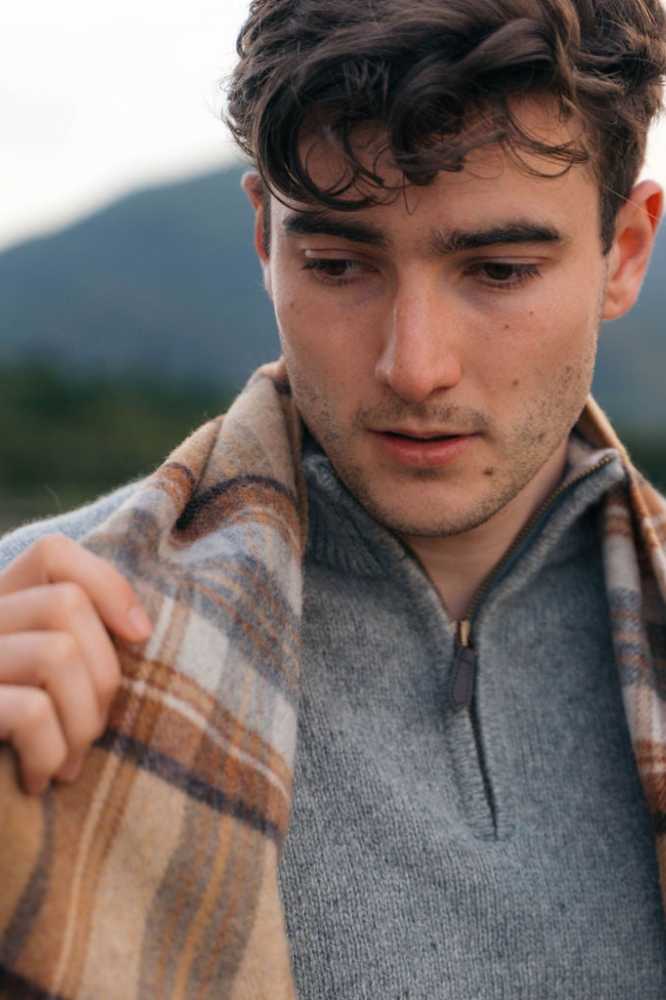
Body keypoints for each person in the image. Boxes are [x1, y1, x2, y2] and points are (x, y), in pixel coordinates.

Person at [1, 0, 665, 996]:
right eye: (339, 265)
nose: (415, 366)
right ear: (265, 239)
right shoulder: (35, 631)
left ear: (625, 251)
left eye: (498, 270)